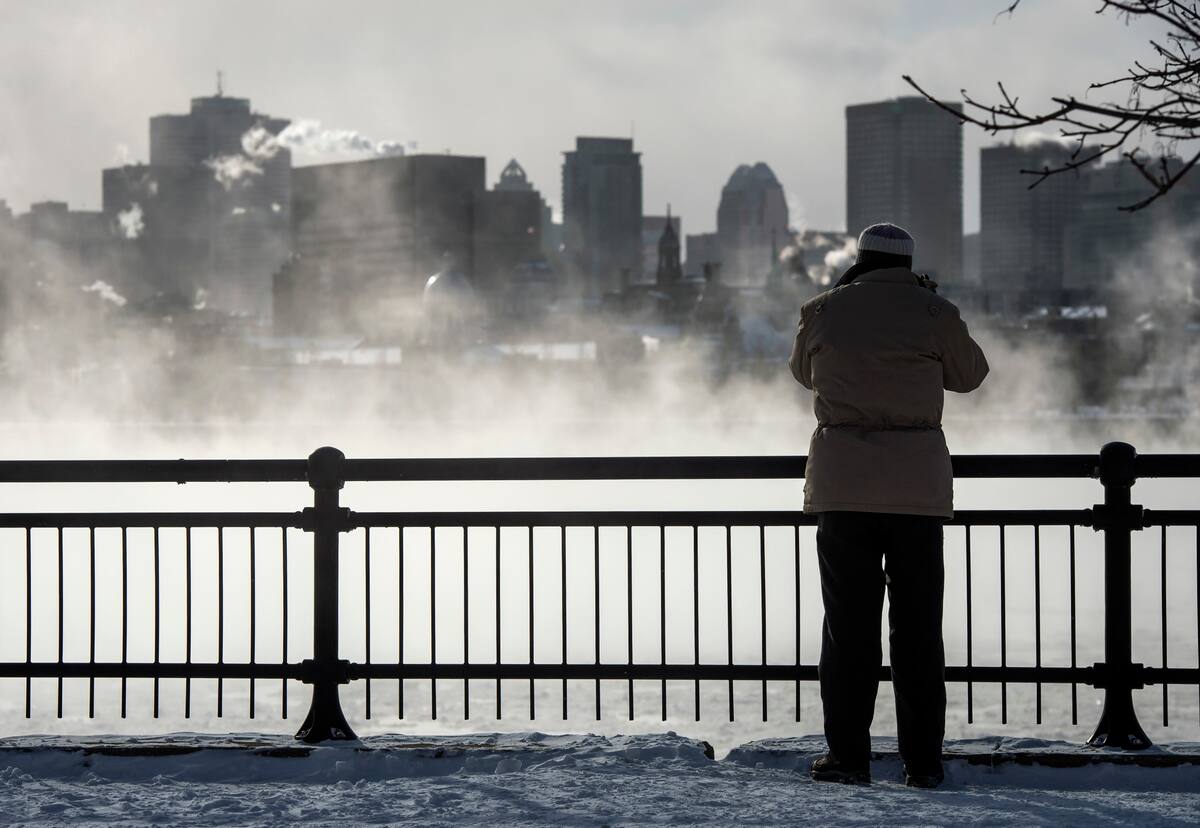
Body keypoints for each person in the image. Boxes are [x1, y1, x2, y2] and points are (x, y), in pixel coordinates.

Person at [788, 222, 989, 788]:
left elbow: (804, 374)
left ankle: (848, 758)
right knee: (919, 629)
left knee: (848, 629)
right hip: (916, 493)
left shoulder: (823, 310)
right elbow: (970, 376)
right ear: (908, 262)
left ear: (859, 258)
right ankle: (923, 763)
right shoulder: (934, 312)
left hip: (843, 487)